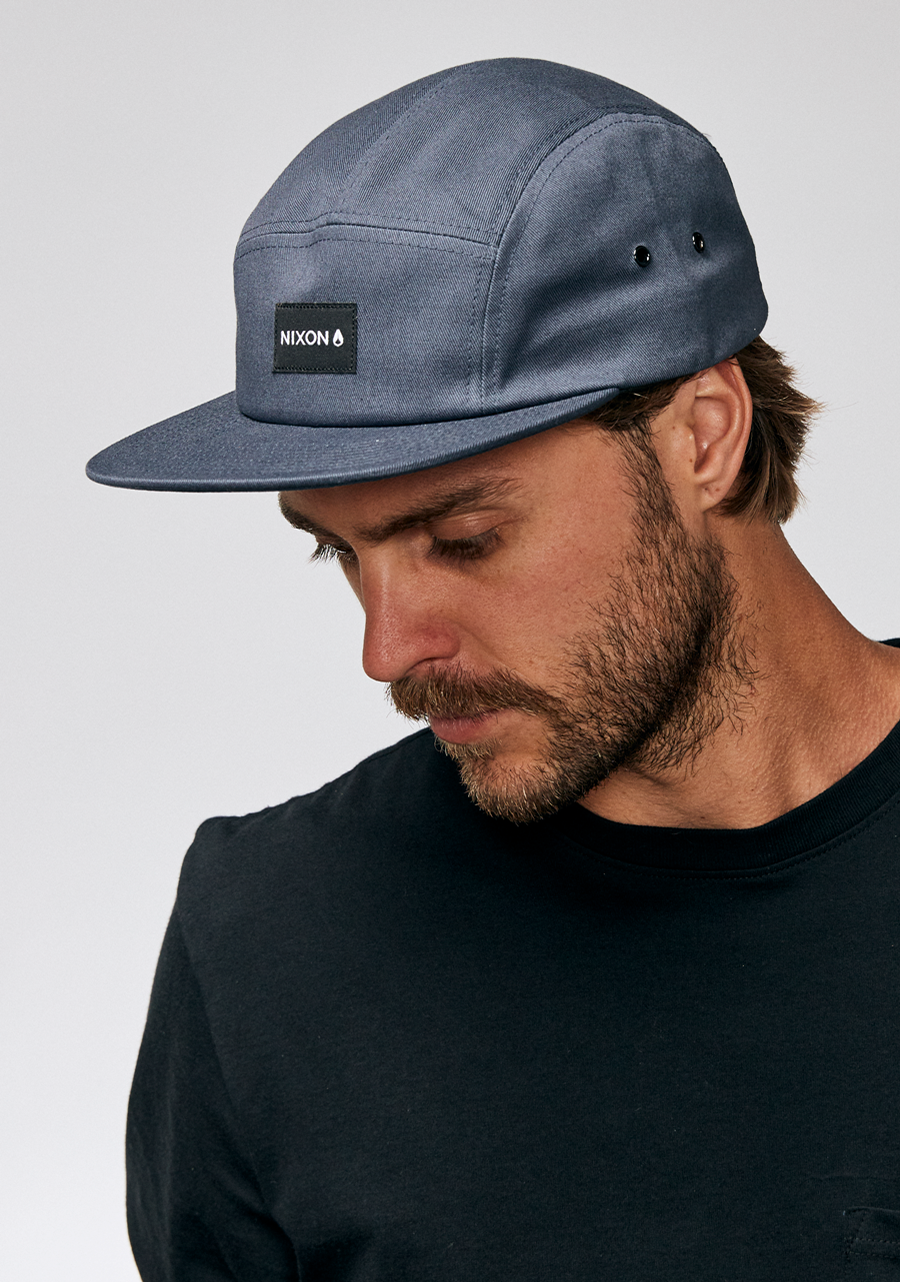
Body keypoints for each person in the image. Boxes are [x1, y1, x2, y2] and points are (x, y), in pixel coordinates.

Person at [87, 58, 900, 1282]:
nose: (386, 650)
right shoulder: (268, 943)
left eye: (463, 538)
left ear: (704, 435)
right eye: (339, 550)